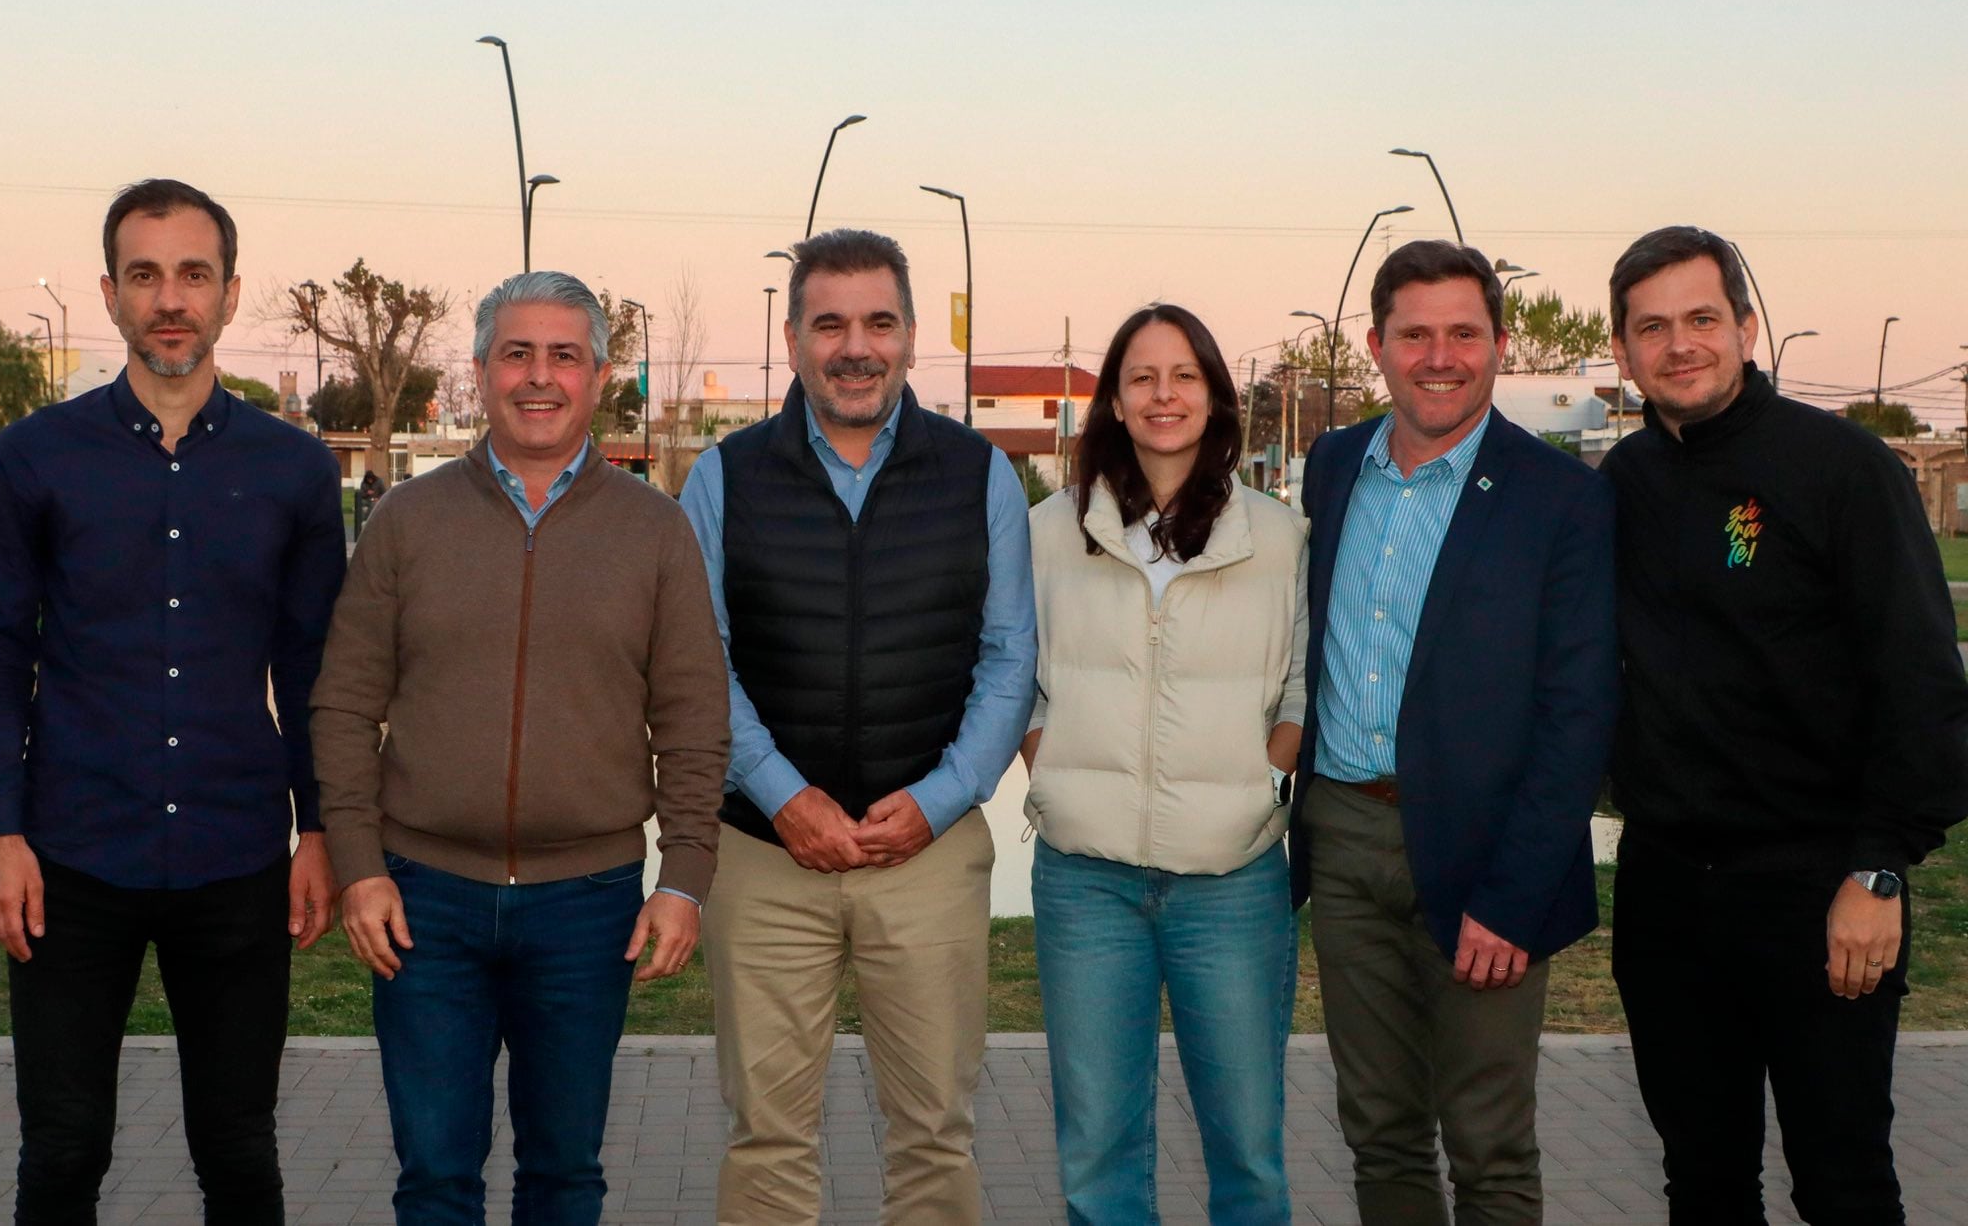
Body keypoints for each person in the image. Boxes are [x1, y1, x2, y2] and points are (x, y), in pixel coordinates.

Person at [0, 178, 345, 1222]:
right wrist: (1, 828)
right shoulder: (36, 457)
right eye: (144, 275)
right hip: (69, 854)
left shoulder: (296, 471)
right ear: (109, 293)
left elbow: (315, 670)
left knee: (239, 1149)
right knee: (63, 1148)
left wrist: (321, 832)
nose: (169, 298)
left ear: (228, 294)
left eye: (192, 274)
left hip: (236, 855)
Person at [311, 270, 729, 1224]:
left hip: (585, 910)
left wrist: (685, 876)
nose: (539, 377)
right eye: (517, 353)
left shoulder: (656, 533)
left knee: (564, 1178)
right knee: (436, 1179)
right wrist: (358, 865)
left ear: (600, 377)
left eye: (564, 356)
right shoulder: (406, 521)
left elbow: (696, 720)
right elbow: (342, 706)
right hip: (424, 901)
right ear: (479, 371)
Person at [1602, 225, 1968, 1225]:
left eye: (1700, 318)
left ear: (1745, 326)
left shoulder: (1841, 471)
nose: (1679, 344)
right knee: (1700, 1180)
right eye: (1651, 327)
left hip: (1818, 888)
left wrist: (1878, 867)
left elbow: (1919, 683)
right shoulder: (1620, 486)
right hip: (1667, 893)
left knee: (1842, 1180)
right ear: (1621, 350)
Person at [679, 227, 1036, 1225]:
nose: (853, 346)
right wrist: (782, 794)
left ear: (912, 335)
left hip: (924, 856)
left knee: (932, 1132)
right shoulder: (724, 475)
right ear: (791, 337)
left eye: (877, 321)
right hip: (762, 855)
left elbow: (1010, 656)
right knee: (766, 1137)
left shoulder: (979, 473)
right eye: (827, 322)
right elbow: (698, 661)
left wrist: (936, 801)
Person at [1289, 239, 1617, 1225]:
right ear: (1375, 346)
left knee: (1487, 1144)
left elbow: (1577, 711)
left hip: (1488, 858)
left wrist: (1514, 898)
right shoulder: (1332, 463)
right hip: (1345, 841)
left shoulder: (1559, 498)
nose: (1440, 356)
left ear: (1499, 343)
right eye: (1415, 334)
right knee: (1378, 1130)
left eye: (1462, 333)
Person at [1022, 302, 1308, 1223]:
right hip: (1086, 881)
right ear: (1112, 398)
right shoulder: (1048, 533)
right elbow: (1018, 682)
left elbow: (1301, 690)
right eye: (1142, 376)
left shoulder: (1277, 537)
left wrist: (1262, 785)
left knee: (1248, 1153)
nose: (1163, 394)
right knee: (1098, 1158)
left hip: (1231, 880)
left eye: (1184, 375)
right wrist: (1055, 773)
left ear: (1217, 397)